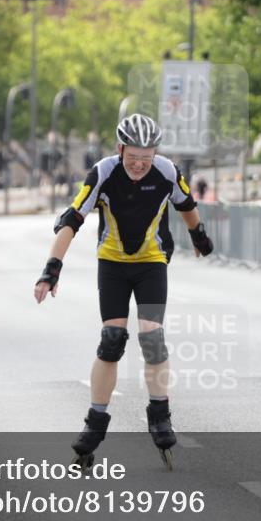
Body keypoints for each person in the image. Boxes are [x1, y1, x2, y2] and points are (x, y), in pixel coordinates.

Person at [33, 114, 213, 470]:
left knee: (152, 339)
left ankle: (160, 414)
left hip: (151, 263)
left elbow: (187, 206)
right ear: (120, 149)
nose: (139, 165)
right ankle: (94, 424)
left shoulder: (166, 171)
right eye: (133, 157)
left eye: (146, 158)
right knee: (112, 340)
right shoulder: (103, 172)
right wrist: (51, 270)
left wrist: (199, 237)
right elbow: (71, 220)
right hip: (113, 265)